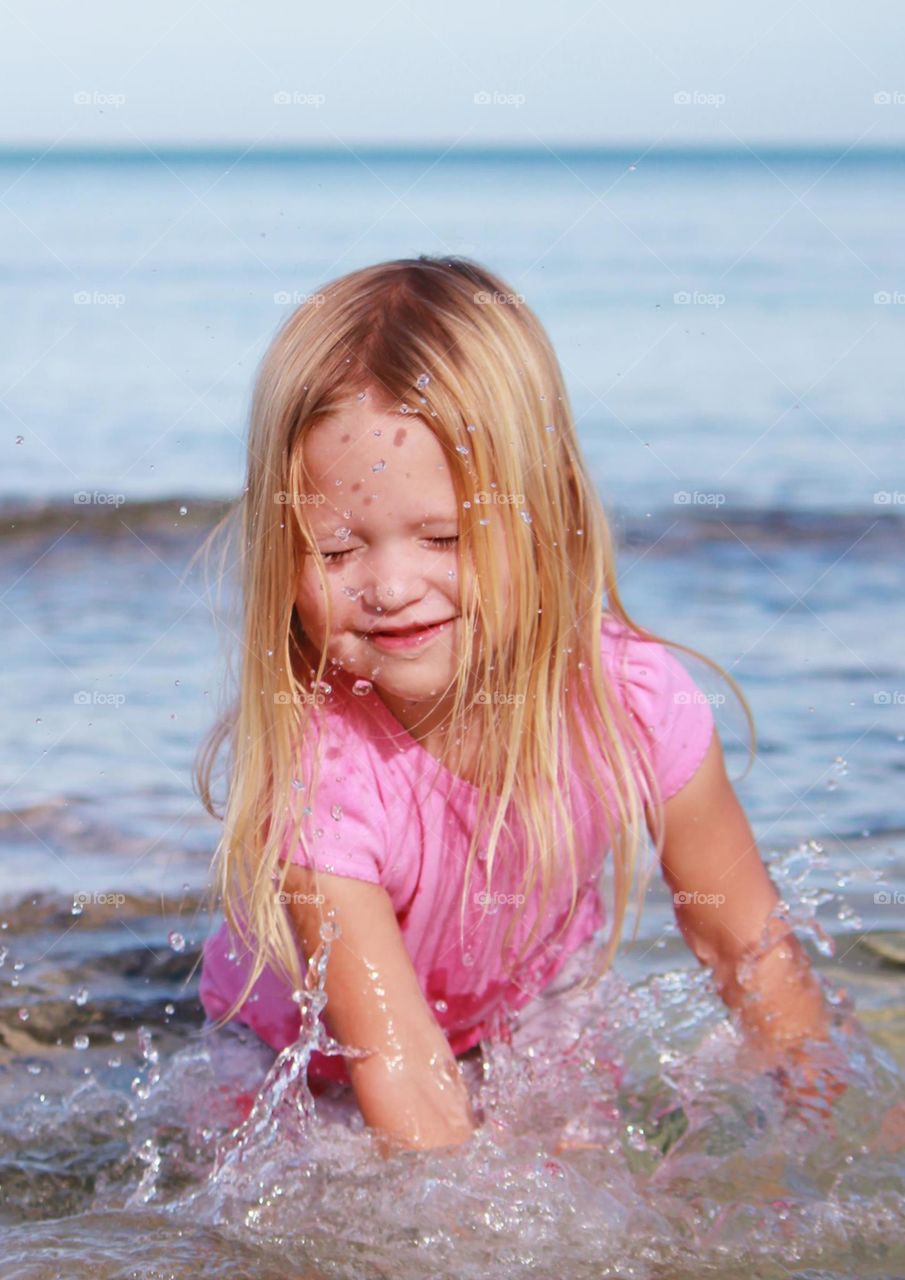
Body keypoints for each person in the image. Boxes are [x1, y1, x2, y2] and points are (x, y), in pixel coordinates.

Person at [192, 255, 852, 1157]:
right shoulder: (322, 778)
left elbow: (747, 945)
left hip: (522, 1013)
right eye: (337, 550)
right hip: (301, 1062)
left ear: (549, 515)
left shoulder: (632, 700)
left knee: (602, 1183)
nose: (390, 587)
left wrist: (832, 1124)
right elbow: (396, 1059)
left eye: (444, 537)